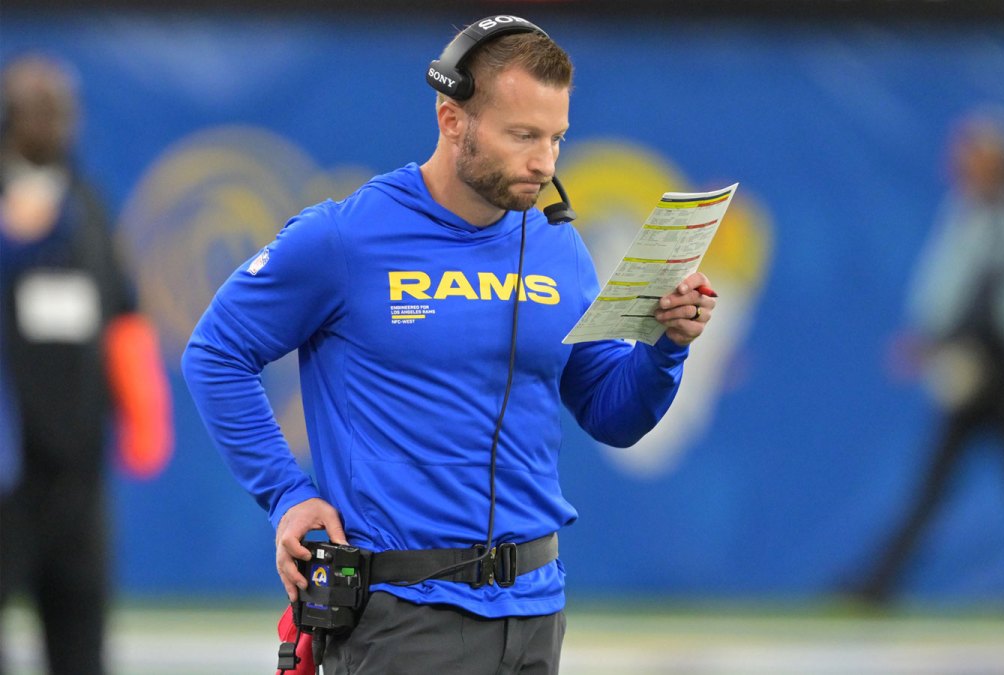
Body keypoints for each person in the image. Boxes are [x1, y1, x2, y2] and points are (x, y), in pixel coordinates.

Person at [181, 15, 716, 674]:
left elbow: (613, 413)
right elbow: (215, 352)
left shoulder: (556, 244)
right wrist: (286, 494)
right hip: (403, 617)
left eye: (556, 137)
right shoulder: (346, 238)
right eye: (522, 135)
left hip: (536, 613)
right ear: (451, 117)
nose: (545, 162)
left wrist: (666, 346)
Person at [862, 108, 1004, 608]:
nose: (962, 160)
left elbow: (984, 294)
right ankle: (881, 580)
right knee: (946, 477)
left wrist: (934, 341)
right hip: (986, 359)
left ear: (999, 161)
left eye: (974, 153)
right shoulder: (971, 210)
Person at [0, 55, 173, 674]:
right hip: (7, 471)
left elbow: (123, 316)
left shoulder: (87, 207)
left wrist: (144, 412)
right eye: (36, 110)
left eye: (61, 111)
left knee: (79, 636)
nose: (52, 124)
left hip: (76, 473)